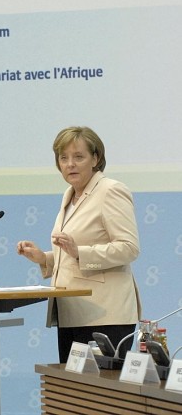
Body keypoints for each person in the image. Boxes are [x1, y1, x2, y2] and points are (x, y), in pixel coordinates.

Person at [16, 126, 142, 363]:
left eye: (78, 157)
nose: (70, 164)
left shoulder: (110, 191)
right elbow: (72, 254)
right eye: (63, 158)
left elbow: (129, 247)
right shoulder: (70, 195)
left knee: (100, 397)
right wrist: (44, 259)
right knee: (73, 396)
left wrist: (79, 252)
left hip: (105, 315)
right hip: (71, 312)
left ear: (95, 159)